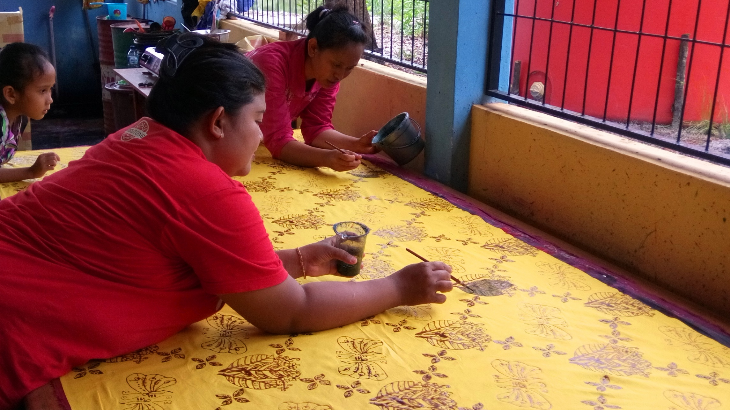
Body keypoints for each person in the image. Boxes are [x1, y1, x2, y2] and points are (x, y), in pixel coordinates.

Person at [0, 33, 453, 410]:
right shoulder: (207, 191)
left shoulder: (134, 136)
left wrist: (294, 259)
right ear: (218, 121)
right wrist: (398, 288)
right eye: (257, 119)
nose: (262, 134)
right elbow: (291, 311)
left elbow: (181, 251)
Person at [248, 5, 378, 172]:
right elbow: (278, 140)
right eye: (336, 65)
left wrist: (357, 144)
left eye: (349, 68)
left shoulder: (326, 75)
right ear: (313, 48)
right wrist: (327, 158)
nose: (340, 75)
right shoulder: (271, 64)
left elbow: (317, 127)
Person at [0, 43, 59, 183]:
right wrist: (30, 171)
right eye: (42, 90)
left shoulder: (19, 120)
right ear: (11, 94)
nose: (50, 99)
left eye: (50, 89)